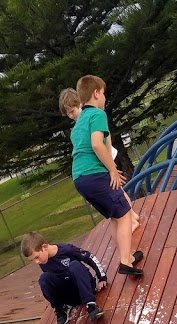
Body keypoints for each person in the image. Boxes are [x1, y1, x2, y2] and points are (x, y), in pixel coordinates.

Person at [71, 75, 145, 278]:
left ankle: (127, 256)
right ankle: (124, 262)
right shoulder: (96, 114)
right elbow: (96, 144)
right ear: (96, 93)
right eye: (103, 93)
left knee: (115, 216)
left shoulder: (79, 122)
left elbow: (99, 143)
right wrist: (112, 170)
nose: (104, 97)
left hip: (80, 178)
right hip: (95, 175)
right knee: (123, 213)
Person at [59, 88, 140, 232]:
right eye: (68, 114)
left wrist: (110, 166)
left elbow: (102, 139)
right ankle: (132, 216)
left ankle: (131, 218)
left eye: (72, 111)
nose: (71, 116)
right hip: (98, 161)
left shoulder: (90, 116)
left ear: (80, 104)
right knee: (117, 189)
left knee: (117, 189)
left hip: (103, 158)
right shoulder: (79, 125)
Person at [21, 231, 107, 324]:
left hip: (84, 287)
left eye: (36, 257)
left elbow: (89, 257)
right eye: (32, 260)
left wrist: (102, 277)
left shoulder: (67, 250)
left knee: (74, 265)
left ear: (44, 247)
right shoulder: (43, 261)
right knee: (44, 279)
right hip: (70, 296)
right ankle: (60, 309)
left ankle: (91, 305)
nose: (36, 262)